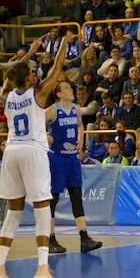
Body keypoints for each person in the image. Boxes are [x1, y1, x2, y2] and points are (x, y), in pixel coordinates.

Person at [0, 30, 74, 278]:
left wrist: (28, 54)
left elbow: (9, 75)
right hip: (32, 151)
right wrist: (64, 43)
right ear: (27, 78)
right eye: (30, 72)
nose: (35, 74)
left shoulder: (6, 96)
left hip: (11, 151)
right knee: (42, 208)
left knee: (13, 212)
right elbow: (57, 68)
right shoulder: (36, 94)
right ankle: (42, 267)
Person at [45, 80, 103, 254]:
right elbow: (36, 127)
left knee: (76, 197)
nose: (71, 90)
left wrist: (81, 139)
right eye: (68, 89)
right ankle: (50, 238)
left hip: (72, 159)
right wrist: (49, 138)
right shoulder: (52, 110)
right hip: (57, 158)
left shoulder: (75, 108)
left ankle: (84, 238)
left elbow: (80, 125)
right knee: (53, 200)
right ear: (59, 93)